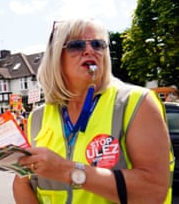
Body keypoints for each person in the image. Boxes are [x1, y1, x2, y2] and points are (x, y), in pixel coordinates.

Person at [13, 18, 173, 204]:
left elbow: (153, 191)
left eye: (98, 44)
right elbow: (22, 183)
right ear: (56, 57)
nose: (89, 50)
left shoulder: (136, 102)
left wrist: (68, 171)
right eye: (76, 45)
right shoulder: (37, 117)